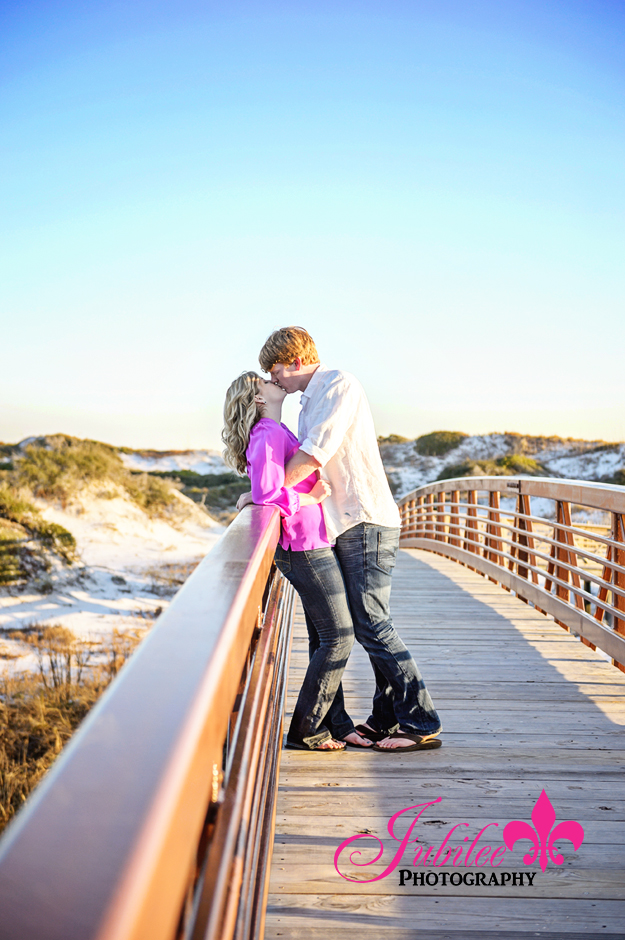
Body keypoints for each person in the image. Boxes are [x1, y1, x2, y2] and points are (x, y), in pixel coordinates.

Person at [251, 327, 442, 752]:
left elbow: (313, 455)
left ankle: (422, 721)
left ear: (296, 361)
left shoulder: (338, 384)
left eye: (275, 368)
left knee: (371, 623)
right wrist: (266, 494)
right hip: (340, 525)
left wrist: (270, 493)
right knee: (355, 625)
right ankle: (384, 719)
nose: (274, 377)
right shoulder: (307, 404)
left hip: (365, 521)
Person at [222, 371, 373, 752]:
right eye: (264, 382)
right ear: (257, 399)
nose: (273, 380)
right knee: (339, 636)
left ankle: (332, 723)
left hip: (311, 541)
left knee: (327, 636)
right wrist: (309, 497)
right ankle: (306, 729)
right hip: (302, 546)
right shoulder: (268, 433)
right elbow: (270, 492)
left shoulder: (274, 430)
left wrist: (254, 496)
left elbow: (266, 489)